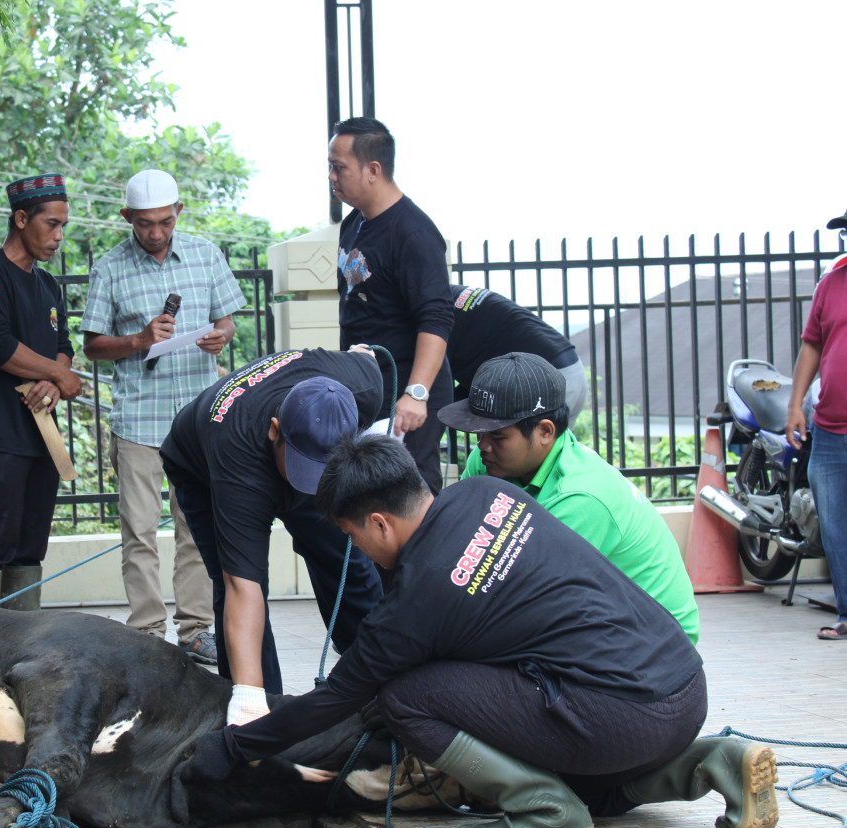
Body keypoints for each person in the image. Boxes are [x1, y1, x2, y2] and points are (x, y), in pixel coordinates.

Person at [181, 434, 779, 828]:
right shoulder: (491, 495)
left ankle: (544, 811)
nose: (356, 549)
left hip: (620, 716)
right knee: (588, 776)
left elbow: (334, 699)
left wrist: (233, 748)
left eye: (351, 534)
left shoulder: (417, 603)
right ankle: (710, 761)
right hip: (683, 684)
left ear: (380, 522)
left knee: (406, 697)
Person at [159, 347, 387, 719]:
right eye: (305, 471)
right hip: (204, 464)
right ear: (275, 430)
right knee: (236, 580)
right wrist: (250, 700)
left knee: (346, 562)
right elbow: (241, 587)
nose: (310, 489)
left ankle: (377, 677)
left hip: (300, 448)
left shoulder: (364, 386)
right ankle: (259, 708)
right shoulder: (240, 457)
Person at [81, 168, 244, 664]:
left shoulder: (204, 254)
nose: (155, 233)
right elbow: (91, 346)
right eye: (145, 224)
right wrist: (139, 340)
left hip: (197, 414)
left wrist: (222, 336)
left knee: (196, 528)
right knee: (139, 531)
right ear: (128, 217)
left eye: (163, 222)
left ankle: (196, 631)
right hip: (139, 420)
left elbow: (227, 320)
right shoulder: (110, 268)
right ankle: (147, 634)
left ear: (178, 213)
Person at [438, 352, 699, 643]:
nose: (483, 445)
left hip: (654, 646)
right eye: (479, 433)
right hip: (597, 616)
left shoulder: (580, 498)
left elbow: (518, 596)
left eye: (497, 436)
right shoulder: (489, 462)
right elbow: (458, 543)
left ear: (545, 432)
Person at [0, 173, 81, 609]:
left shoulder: (48, 285)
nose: (59, 236)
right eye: (51, 224)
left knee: (31, 545)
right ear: (22, 218)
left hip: (40, 436)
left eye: (64, 225)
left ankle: (22, 643)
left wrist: (54, 377)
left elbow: (62, 346)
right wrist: (61, 377)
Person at [330, 116, 454, 493]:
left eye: (339, 168)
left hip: (406, 387)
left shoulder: (413, 233)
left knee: (410, 491)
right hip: (369, 386)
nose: (332, 177)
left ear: (373, 170)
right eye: (330, 167)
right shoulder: (354, 223)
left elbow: (436, 316)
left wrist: (416, 394)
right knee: (369, 494)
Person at [787, 243, 847, 640]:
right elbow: (812, 343)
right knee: (836, 528)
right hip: (829, 427)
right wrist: (795, 405)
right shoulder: (833, 282)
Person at [447, 284, 587, 418]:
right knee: (557, 442)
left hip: (543, 386)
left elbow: (437, 385)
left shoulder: (435, 315)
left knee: (512, 439)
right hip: (573, 371)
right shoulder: (452, 296)